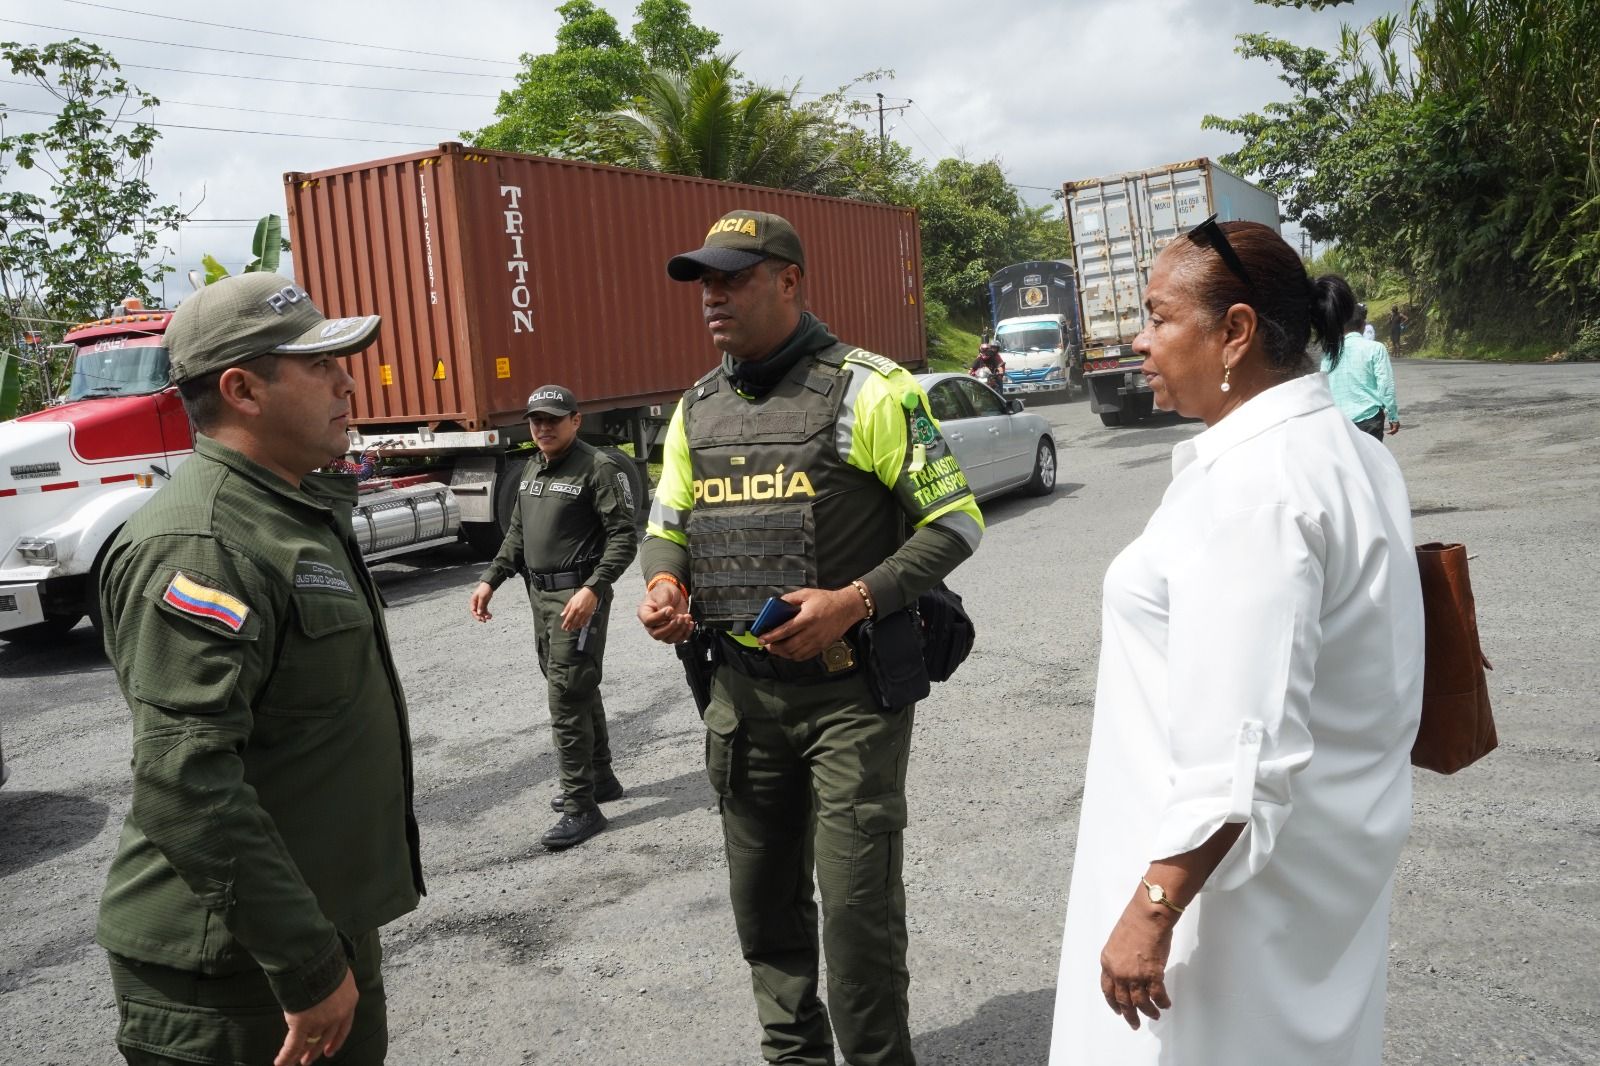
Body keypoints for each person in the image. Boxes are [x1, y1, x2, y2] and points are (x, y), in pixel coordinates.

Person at [1048, 218, 1423, 1065]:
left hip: (1226, 905)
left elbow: (1241, 746)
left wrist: (1153, 909)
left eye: (1157, 316)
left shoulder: (1259, 491)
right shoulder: (1347, 451)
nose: (1138, 341)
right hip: (1314, 879)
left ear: (1236, 332)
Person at [637, 209, 984, 1066]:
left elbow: (956, 524)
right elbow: (667, 525)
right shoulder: (696, 409)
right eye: (704, 282)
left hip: (850, 698)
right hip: (740, 698)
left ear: (789, 280)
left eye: (733, 278)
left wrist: (853, 601)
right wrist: (663, 583)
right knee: (763, 907)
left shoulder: (872, 390)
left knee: (858, 913)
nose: (712, 296)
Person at [96, 273, 424, 1066]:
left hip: (308, 931)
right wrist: (305, 962)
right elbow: (184, 779)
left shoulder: (284, 510)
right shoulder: (204, 543)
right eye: (320, 365)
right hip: (238, 974)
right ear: (242, 390)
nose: (348, 383)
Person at [468, 384, 638, 850]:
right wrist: (491, 578)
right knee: (576, 685)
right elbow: (517, 534)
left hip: (578, 599)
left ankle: (581, 806)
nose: (543, 427)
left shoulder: (598, 468)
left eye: (553, 419)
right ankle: (600, 779)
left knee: (565, 696)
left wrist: (593, 589)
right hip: (540, 597)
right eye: (536, 420)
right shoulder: (531, 467)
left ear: (575, 421)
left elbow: (624, 538)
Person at [1324, 303, 1401, 441]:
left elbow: (1324, 387)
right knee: (1371, 455)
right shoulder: (1376, 348)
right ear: (1363, 325)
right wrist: (1392, 415)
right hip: (1369, 419)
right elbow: (1385, 385)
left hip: (1339, 421)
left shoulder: (1329, 354)